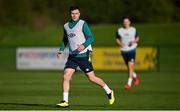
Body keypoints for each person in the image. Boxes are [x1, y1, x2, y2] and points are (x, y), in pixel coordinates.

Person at [56, 6, 115, 107]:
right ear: (70, 14)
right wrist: (61, 50)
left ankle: (109, 91)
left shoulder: (82, 23)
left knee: (91, 78)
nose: (74, 15)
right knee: (66, 76)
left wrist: (83, 45)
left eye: (76, 13)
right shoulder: (66, 26)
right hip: (72, 56)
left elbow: (91, 38)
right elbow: (65, 39)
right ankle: (65, 101)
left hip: (83, 55)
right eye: (72, 13)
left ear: (79, 14)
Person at [116, 17, 140, 90]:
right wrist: (120, 44)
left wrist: (134, 42)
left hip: (132, 50)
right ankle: (135, 77)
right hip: (124, 51)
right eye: (124, 21)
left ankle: (129, 83)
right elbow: (117, 39)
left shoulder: (133, 29)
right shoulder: (120, 30)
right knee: (129, 67)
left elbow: (137, 37)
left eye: (127, 21)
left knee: (130, 66)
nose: (126, 23)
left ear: (129, 22)